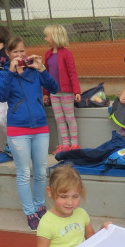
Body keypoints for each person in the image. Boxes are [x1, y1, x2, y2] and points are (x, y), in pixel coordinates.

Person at [0, 35, 59, 230]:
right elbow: (1, 95)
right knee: (24, 173)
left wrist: (42, 69)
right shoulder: (3, 74)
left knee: (40, 172)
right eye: (15, 52)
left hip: (40, 127)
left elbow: (54, 88)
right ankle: (30, 212)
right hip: (18, 130)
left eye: (22, 51)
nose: (20, 55)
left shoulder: (34, 71)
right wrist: (10, 71)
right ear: (8, 54)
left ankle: (40, 206)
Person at [36, 166, 109, 247]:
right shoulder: (46, 223)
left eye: (75, 196)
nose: (70, 202)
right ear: (50, 192)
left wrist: (103, 231)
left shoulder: (81, 213)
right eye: (63, 196)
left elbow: (91, 238)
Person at [42, 24, 81, 152]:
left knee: (70, 117)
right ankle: (65, 143)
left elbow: (72, 73)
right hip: (54, 93)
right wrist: (46, 93)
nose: (45, 39)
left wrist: (76, 91)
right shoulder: (47, 55)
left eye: (47, 36)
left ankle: (74, 144)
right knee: (59, 118)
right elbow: (46, 75)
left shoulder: (66, 54)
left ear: (55, 37)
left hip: (67, 93)